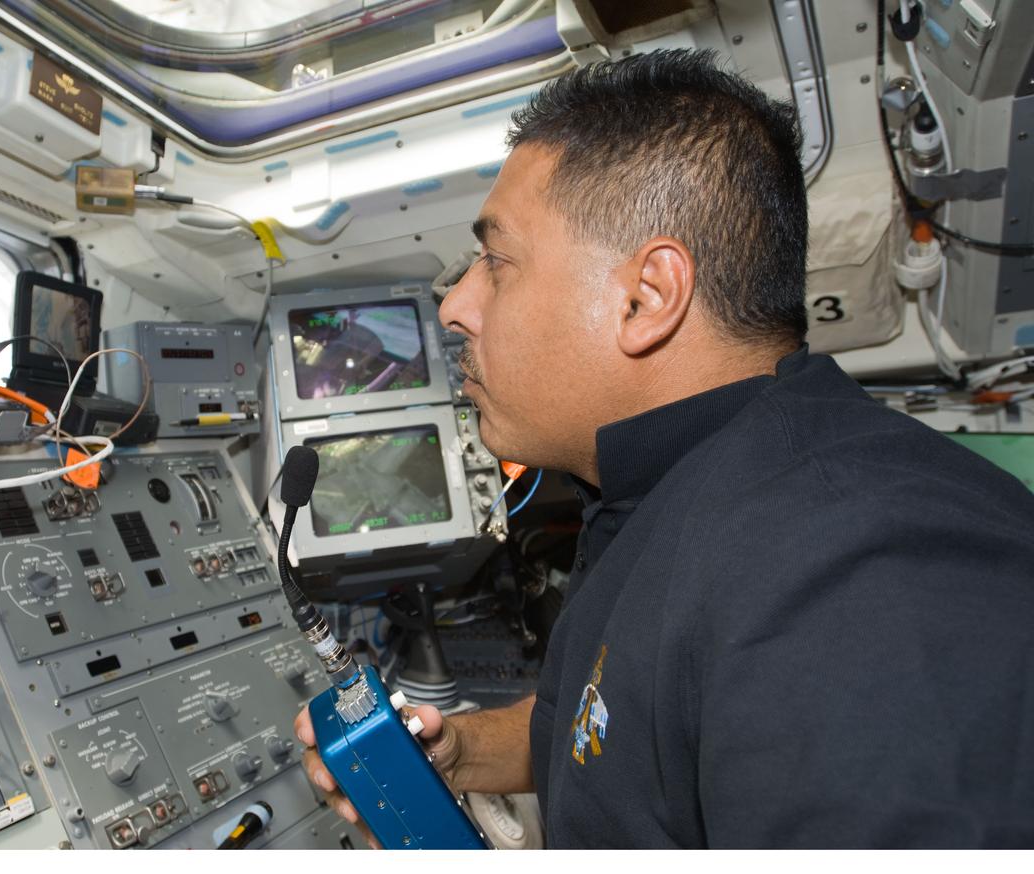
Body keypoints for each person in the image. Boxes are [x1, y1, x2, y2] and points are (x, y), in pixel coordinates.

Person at [294, 48, 1034, 848]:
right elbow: (610, 732)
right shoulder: (662, 500)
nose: (455, 308)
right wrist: (459, 753)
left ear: (648, 298)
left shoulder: (855, 571)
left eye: (496, 263)